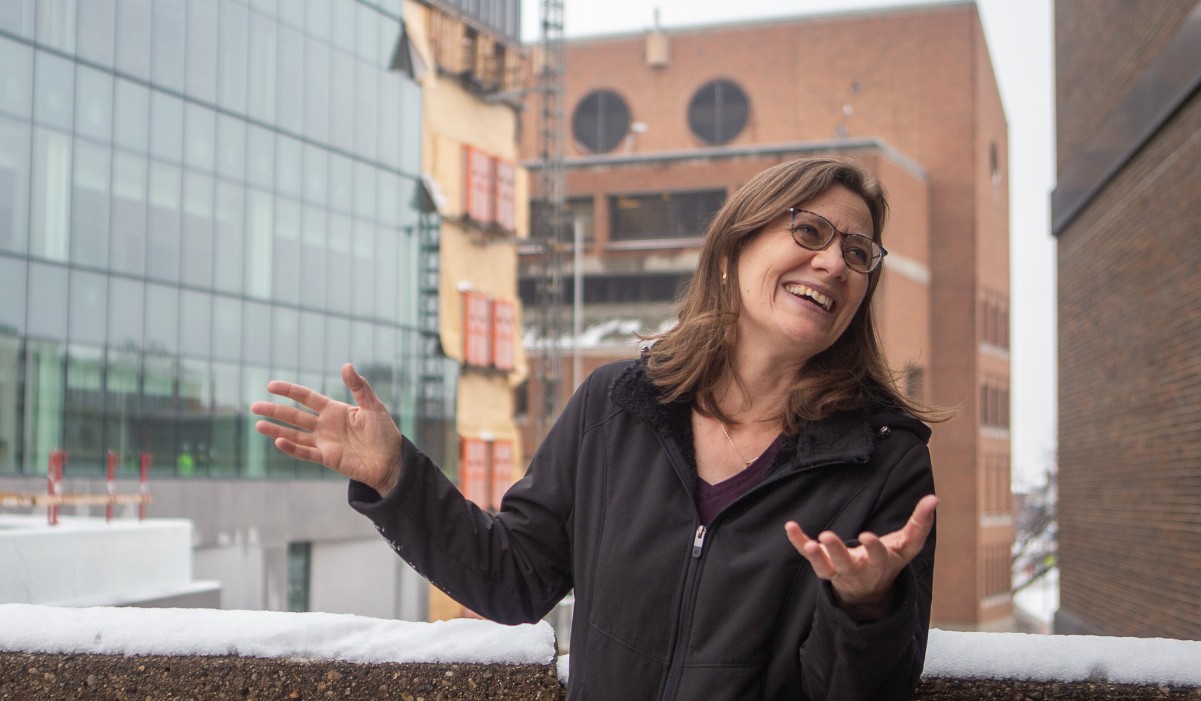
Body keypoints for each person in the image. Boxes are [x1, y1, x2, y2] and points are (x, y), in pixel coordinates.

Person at [252, 155, 942, 700]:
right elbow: (515, 577)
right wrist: (394, 474)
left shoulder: (884, 461)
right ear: (733, 248)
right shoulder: (619, 403)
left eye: (859, 253)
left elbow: (861, 689)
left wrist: (866, 605)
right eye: (810, 231)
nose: (833, 262)